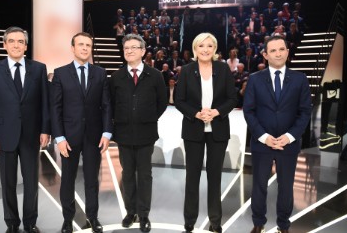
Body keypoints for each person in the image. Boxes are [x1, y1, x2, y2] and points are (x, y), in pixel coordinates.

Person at [0, 26, 50, 233]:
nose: (16, 45)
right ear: (4, 45)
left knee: (31, 183)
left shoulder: (39, 69)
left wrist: (45, 130)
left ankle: (30, 222)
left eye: (20, 41)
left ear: (26, 46)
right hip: (4, 136)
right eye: (11, 41)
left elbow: (44, 103)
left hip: (31, 135)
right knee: (8, 183)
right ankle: (12, 223)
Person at [242, 36, 311, 233]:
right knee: (259, 185)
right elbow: (249, 111)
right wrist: (264, 136)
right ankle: (258, 223)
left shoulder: (300, 79)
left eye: (282, 49)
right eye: (273, 50)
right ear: (265, 54)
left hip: (288, 144)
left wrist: (290, 136)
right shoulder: (255, 79)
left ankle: (283, 225)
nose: (278, 53)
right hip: (262, 143)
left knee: (286, 186)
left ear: (288, 52)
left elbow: (305, 112)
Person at [175, 33, 237, 233]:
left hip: (218, 131)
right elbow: (179, 100)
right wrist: (196, 113)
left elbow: (232, 98)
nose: (205, 49)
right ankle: (189, 221)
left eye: (210, 45)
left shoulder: (223, 68)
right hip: (194, 130)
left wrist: (216, 112)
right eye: (201, 45)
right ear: (195, 49)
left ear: (215, 49)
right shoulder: (186, 70)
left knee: (215, 177)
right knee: (192, 177)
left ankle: (215, 222)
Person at [51, 32, 112, 233]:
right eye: (81, 44)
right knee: (67, 179)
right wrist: (59, 137)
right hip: (68, 137)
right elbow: (56, 108)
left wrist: (107, 132)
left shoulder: (100, 73)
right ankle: (67, 219)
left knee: (92, 179)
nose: (85, 48)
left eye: (88, 45)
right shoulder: (60, 73)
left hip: (94, 136)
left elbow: (106, 105)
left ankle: (92, 218)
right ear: (73, 48)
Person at [109, 34, 167, 232]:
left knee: (144, 175)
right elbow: (112, 103)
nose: (129, 51)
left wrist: (146, 117)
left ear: (143, 51)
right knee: (126, 175)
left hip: (146, 133)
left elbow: (161, 103)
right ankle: (130, 211)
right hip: (123, 134)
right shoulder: (116, 76)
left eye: (134, 47)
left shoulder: (156, 75)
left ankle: (143, 214)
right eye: (126, 48)